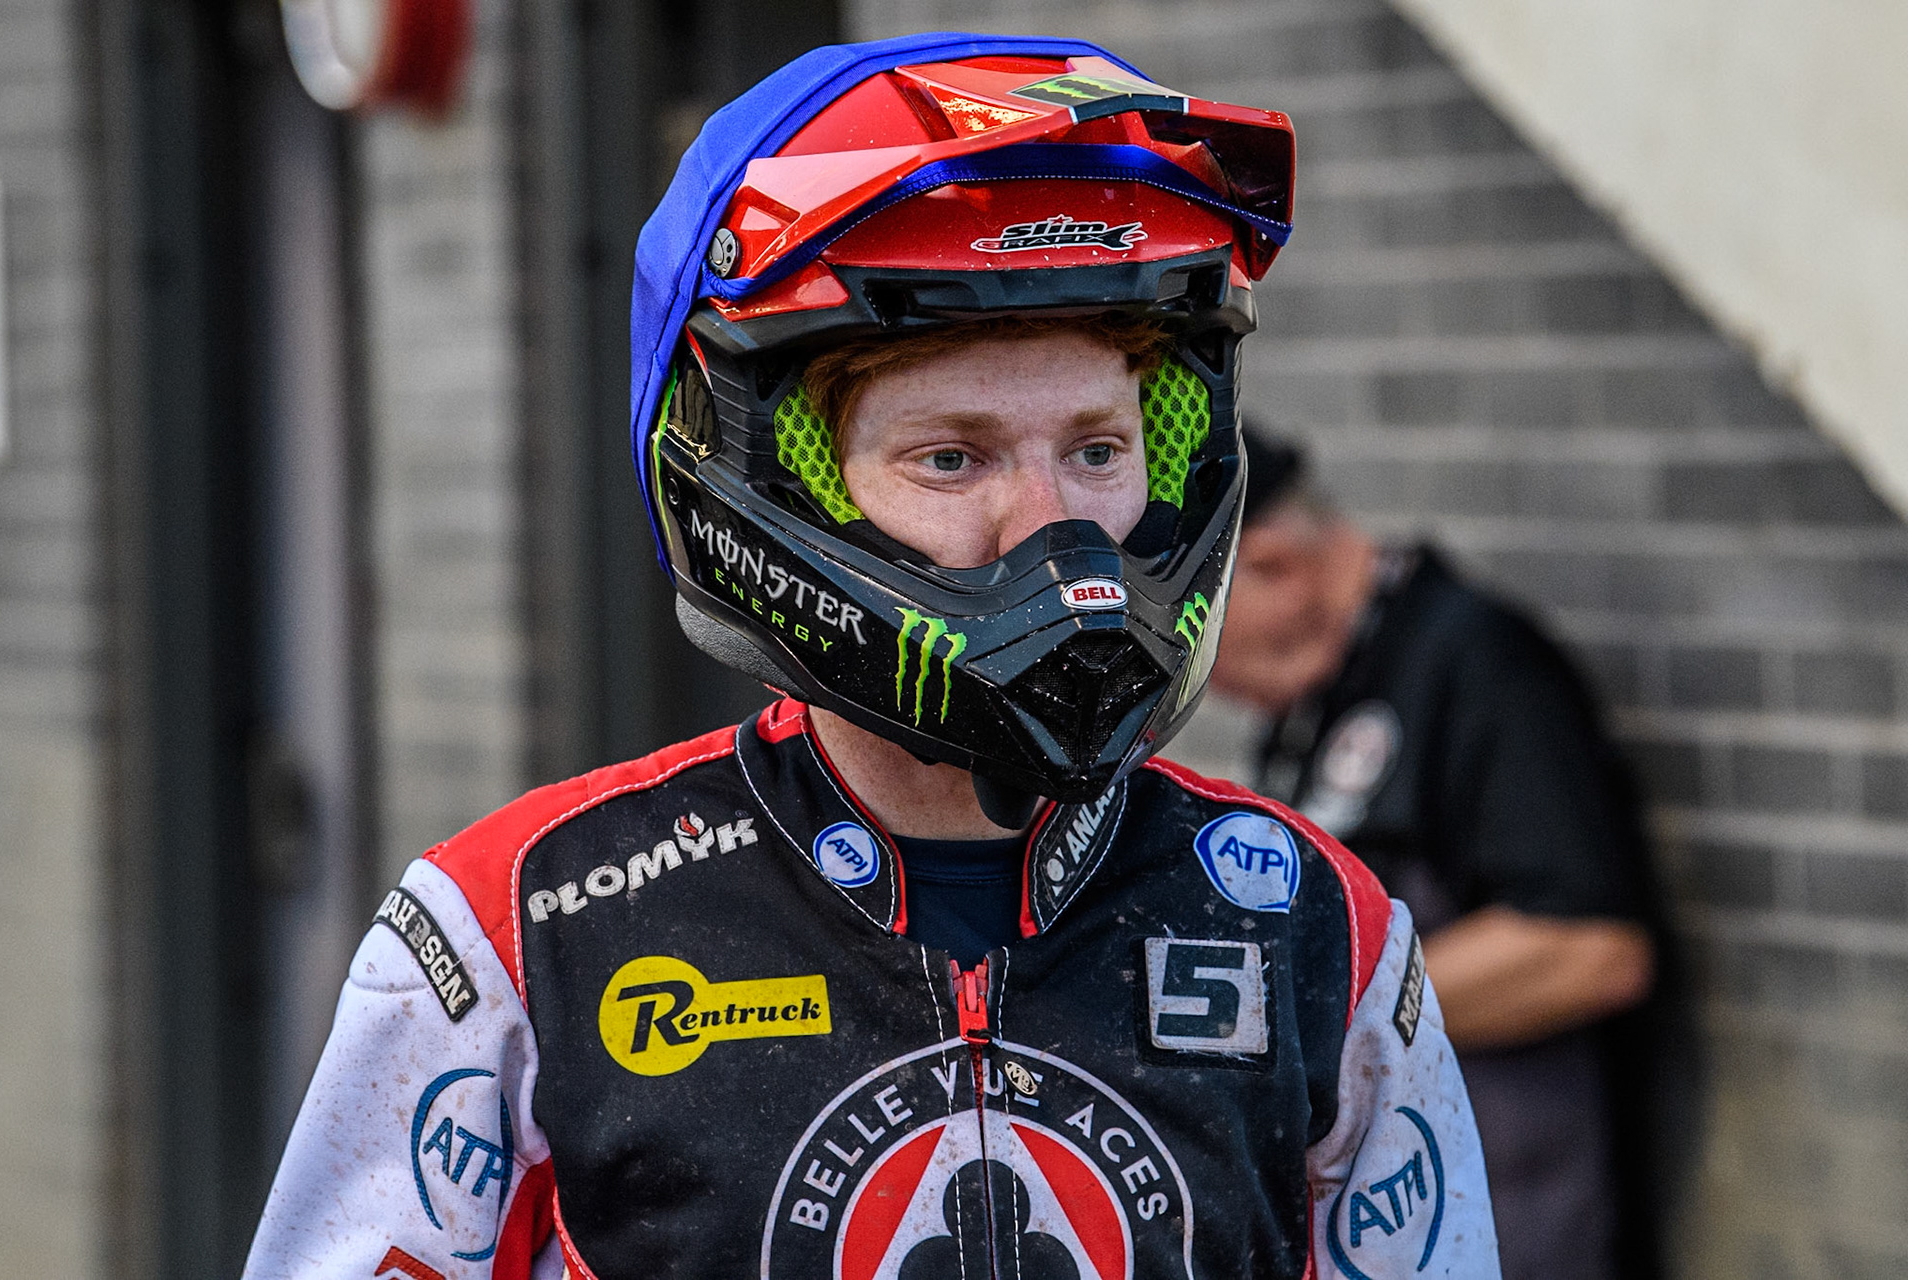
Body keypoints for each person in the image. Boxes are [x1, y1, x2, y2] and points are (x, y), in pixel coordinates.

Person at [244, 34, 1500, 1280]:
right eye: (951, 457)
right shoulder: (519, 929)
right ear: (780, 482)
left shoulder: (1315, 926)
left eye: (1100, 450)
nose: (1053, 528)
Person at [1209, 432, 1660, 1280]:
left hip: (1522, 1216)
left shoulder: (1480, 662)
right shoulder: (1315, 692)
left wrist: (1313, 1019)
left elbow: (1592, 949)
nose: (1209, 683)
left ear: (1275, 565)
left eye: (1205, 641)